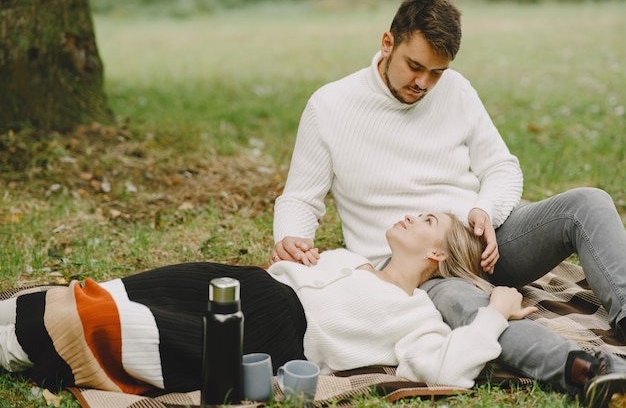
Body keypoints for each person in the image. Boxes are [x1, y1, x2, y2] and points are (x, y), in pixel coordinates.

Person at [271, 0, 626, 404]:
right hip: (419, 268)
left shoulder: (455, 90)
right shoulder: (330, 106)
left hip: (486, 236)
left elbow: (502, 168)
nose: (423, 83)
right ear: (388, 43)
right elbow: (299, 198)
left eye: (436, 72)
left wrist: (483, 211)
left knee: (588, 203)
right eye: (415, 66)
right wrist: (292, 235)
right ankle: (593, 373)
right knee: (473, 313)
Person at [0, 213, 530, 396]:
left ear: (436, 253)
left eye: (428, 221)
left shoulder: (417, 315)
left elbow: (447, 369)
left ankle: (11, 345)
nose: (414, 216)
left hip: (266, 334)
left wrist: (494, 314)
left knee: (105, 323)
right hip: (241, 283)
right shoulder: (348, 255)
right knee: (103, 292)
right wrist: (293, 255)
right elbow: (289, 271)